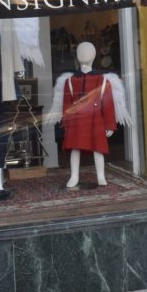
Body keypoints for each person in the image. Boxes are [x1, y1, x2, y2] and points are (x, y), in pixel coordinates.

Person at [46, 42, 131, 188]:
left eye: (87, 51)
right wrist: (66, 123)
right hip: (77, 121)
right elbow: (67, 104)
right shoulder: (70, 81)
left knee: (98, 148)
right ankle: (74, 175)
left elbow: (108, 104)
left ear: (94, 55)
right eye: (80, 51)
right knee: (75, 147)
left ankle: (100, 175)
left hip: (95, 120)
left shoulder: (102, 80)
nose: (84, 54)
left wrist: (109, 124)